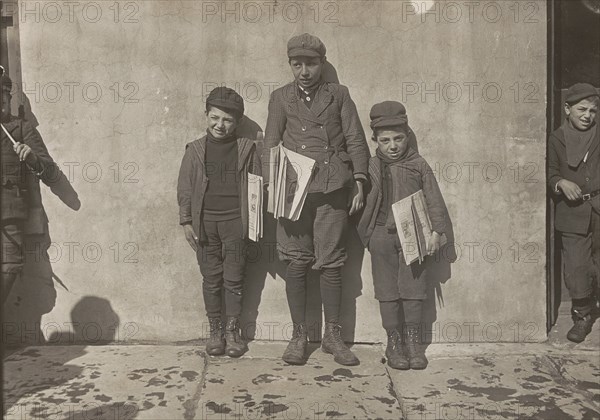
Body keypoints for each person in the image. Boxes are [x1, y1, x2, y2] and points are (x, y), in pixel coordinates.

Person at [264, 33, 370, 366]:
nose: (305, 71)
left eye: (311, 63)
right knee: (296, 261)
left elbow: (355, 138)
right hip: (294, 191)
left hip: (332, 189)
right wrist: (271, 185)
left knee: (332, 261)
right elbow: (271, 144)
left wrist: (360, 181)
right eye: (298, 64)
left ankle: (333, 336)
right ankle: (298, 335)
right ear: (291, 65)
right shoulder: (280, 98)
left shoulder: (339, 95)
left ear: (321, 63)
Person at [357, 101, 450, 370]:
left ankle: (413, 342)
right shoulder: (371, 166)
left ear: (407, 136)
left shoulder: (418, 164)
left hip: (414, 236)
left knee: (413, 290)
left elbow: (434, 200)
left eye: (398, 139)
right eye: (385, 140)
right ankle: (394, 342)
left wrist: (436, 231)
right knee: (386, 291)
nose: (393, 146)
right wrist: (367, 234)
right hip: (381, 237)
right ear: (375, 140)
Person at [177, 87, 261, 357]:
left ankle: (232, 332)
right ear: (206, 116)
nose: (219, 125)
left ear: (236, 123)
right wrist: (187, 221)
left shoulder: (247, 149)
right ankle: (215, 332)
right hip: (205, 225)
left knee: (234, 279)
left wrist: (254, 225)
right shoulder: (195, 150)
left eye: (227, 120)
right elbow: (185, 188)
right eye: (215, 118)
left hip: (236, 223)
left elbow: (258, 188)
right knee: (211, 279)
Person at [1, 72, 60, 303]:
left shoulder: (21, 128)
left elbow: (51, 172)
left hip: (9, 215)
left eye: (4, 96)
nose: (2, 101)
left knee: (10, 265)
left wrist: (33, 159)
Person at [548, 82, 599, 343]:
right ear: (568, 109)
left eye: (593, 110)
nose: (587, 116)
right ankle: (582, 315)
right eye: (582, 109)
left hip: (598, 208)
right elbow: (550, 172)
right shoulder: (557, 138)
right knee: (577, 266)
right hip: (572, 213)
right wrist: (560, 182)